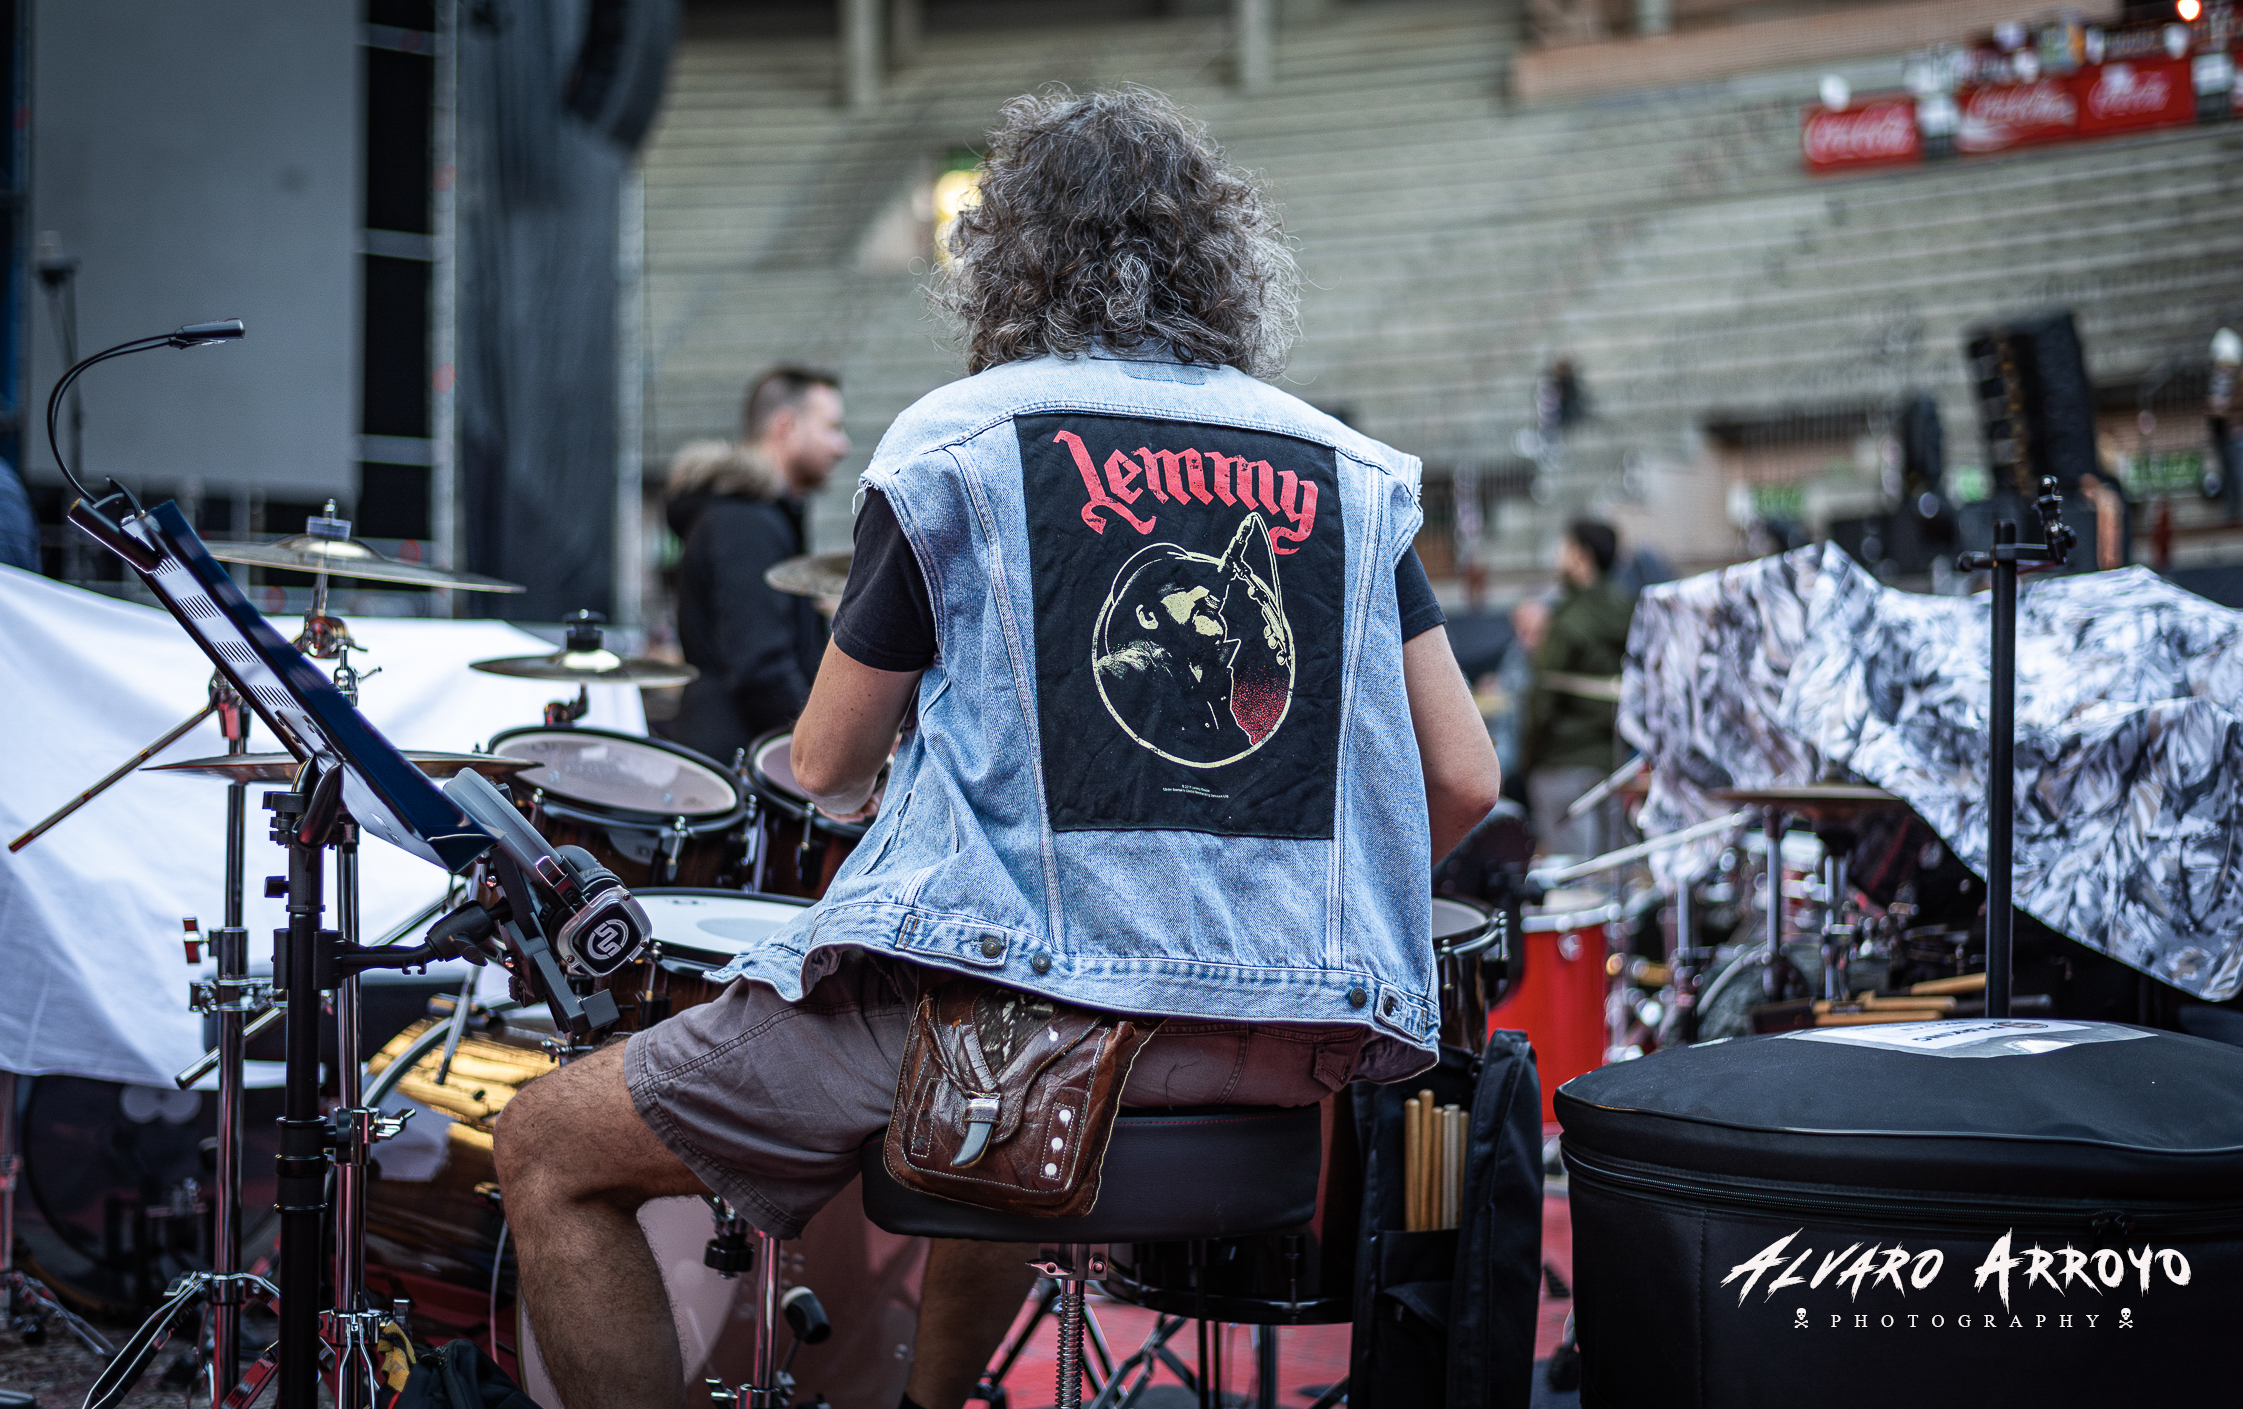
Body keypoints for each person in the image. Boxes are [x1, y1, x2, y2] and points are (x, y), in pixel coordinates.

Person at [493, 86, 1500, 1409]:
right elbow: (1465, 778)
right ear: (1224, 258)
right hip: (1286, 1039)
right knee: (995, 1105)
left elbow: (826, 766)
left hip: (1011, 1018)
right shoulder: (1352, 474)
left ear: (1007, 258)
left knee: (547, 1144)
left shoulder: (961, 442)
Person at [666, 366, 852, 763]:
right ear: (786, 426)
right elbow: (760, 667)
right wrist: (823, 749)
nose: (842, 446)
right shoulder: (745, 523)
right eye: (832, 428)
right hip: (736, 766)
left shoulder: (760, 517)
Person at [1520, 519, 1634, 858]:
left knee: (1574, 874)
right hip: (1613, 762)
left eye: (1564, 547)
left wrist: (1528, 760)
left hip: (1562, 762)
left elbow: (1542, 700)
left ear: (1581, 556)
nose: (1558, 555)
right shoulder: (1629, 613)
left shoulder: (1568, 621)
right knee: (1613, 872)